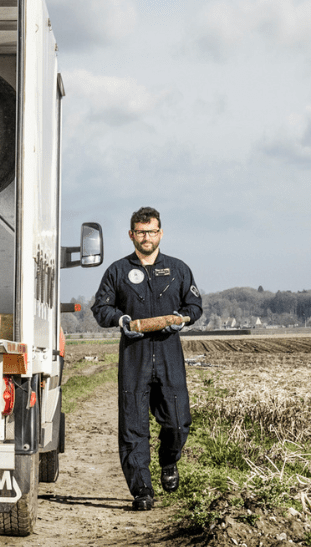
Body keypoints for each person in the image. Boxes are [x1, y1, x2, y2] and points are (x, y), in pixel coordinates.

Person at [90, 207, 203, 511]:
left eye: (152, 231)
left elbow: (195, 306)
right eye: (140, 232)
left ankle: (168, 461)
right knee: (133, 428)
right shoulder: (117, 271)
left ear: (160, 233)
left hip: (169, 353)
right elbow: (100, 309)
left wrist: (183, 318)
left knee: (178, 422)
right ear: (131, 235)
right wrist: (121, 319)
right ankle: (142, 490)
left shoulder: (178, 269)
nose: (146, 237)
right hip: (134, 356)